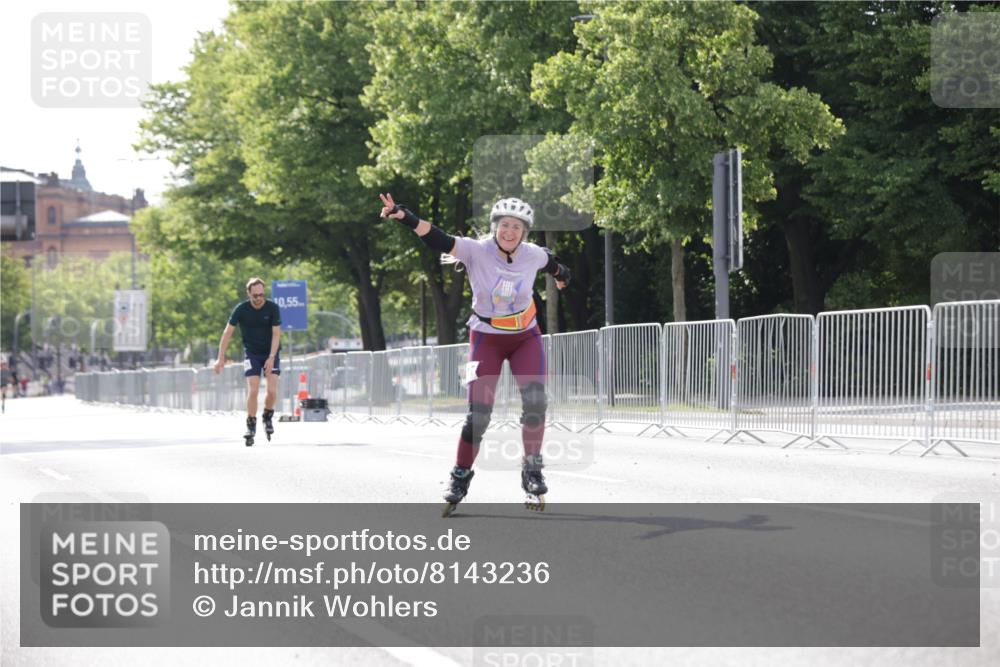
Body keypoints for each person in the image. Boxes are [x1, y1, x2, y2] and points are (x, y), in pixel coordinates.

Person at [379, 193, 571, 514]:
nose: (510, 232)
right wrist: (406, 217)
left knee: (536, 402)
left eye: (517, 228)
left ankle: (532, 470)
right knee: (478, 415)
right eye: (505, 226)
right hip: (486, 339)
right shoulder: (476, 251)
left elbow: (553, 264)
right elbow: (438, 239)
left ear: (525, 233)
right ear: (495, 228)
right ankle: (459, 476)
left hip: (526, 338)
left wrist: (563, 274)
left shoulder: (532, 255)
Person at [213, 278, 282, 446]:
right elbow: (227, 333)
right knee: (253, 390)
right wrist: (220, 357)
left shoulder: (272, 308)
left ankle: (267, 415)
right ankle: (251, 425)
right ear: (249, 293)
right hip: (251, 354)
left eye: (262, 295)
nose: (259, 298)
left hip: (271, 353)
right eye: (255, 295)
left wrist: (272, 357)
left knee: (272, 390)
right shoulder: (241, 309)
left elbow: (276, 334)